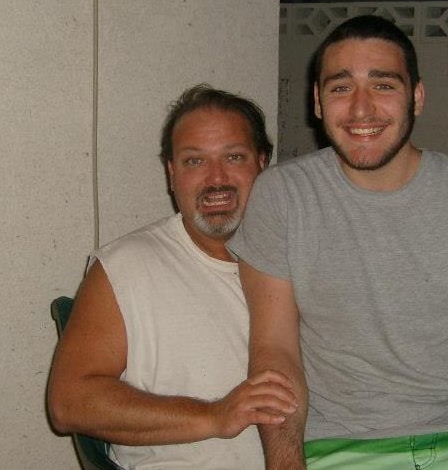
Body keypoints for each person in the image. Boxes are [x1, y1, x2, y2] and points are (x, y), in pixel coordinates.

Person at [228, 16, 448, 469]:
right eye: (341, 88)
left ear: (416, 97)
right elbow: (275, 351)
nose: (361, 109)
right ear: (318, 102)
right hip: (339, 445)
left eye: (383, 85)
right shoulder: (283, 196)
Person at [47, 84, 297, 469]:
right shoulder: (126, 266)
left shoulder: (303, 259)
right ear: (171, 172)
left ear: (262, 163)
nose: (216, 179)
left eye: (233, 157)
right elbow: (69, 402)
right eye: (194, 161)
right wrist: (214, 416)